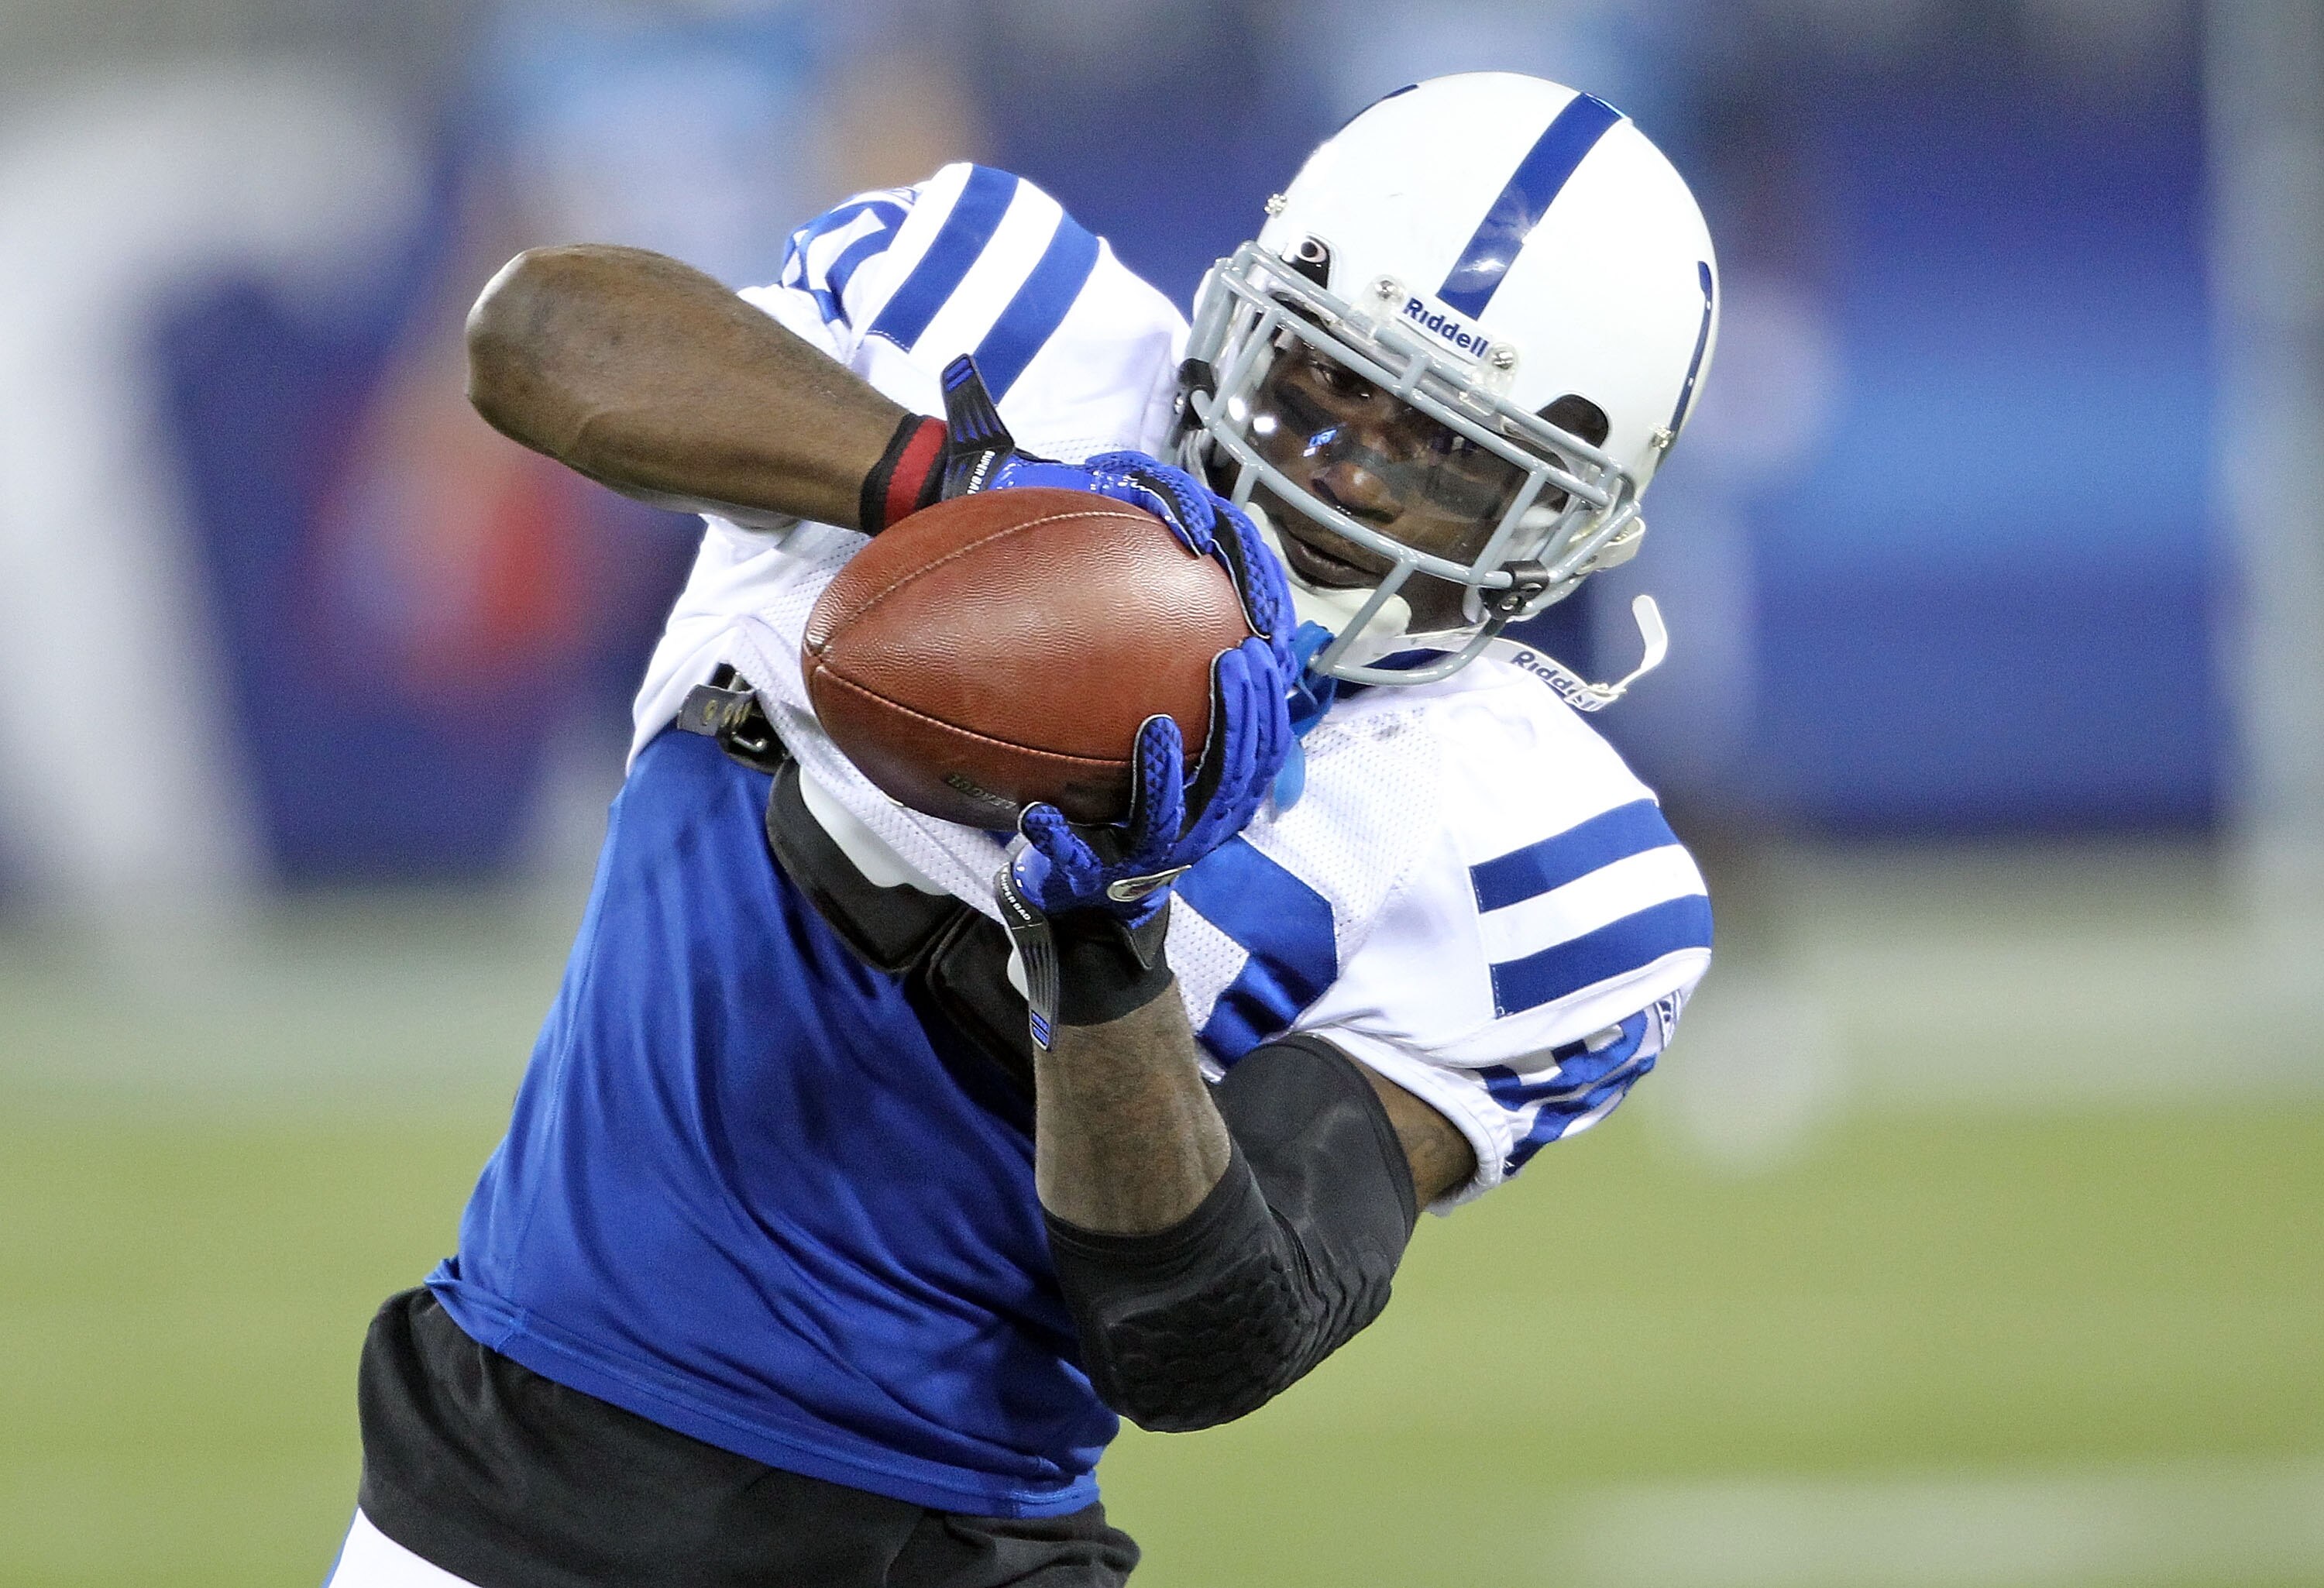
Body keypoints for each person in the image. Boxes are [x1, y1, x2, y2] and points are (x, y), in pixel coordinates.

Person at [325, 72, 1720, 1588]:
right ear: (1240, 316)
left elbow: (1199, 1337)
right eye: (1319, 385)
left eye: (1442, 458)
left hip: (949, 1545)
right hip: (505, 1466)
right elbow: (531, 336)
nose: (1340, 479)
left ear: (1569, 522)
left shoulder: (1543, 854)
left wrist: (1102, 950)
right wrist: (953, 485)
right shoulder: (1007, 316)